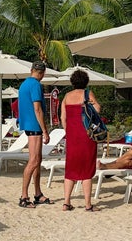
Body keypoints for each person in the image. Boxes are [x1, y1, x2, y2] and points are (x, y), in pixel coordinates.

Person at [59, 70, 101, 211]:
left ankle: (66, 202)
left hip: (72, 137)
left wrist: (68, 131)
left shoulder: (66, 96)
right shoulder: (87, 94)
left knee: (70, 169)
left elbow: (63, 118)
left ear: (72, 82)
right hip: (87, 136)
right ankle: (88, 205)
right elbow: (98, 109)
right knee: (87, 169)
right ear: (86, 82)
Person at [16, 62, 51, 208]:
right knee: (34, 161)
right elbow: (37, 109)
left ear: (31, 70)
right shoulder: (36, 85)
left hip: (28, 125)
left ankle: (38, 193)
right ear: (42, 73)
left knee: (37, 160)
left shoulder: (24, 84)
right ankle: (24, 196)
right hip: (34, 126)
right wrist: (45, 130)